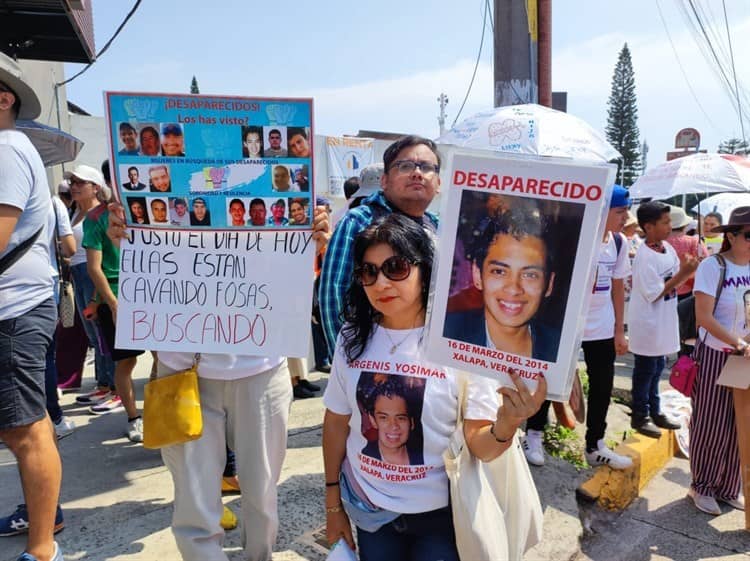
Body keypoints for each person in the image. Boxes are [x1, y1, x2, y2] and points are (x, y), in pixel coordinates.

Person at [104, 195, 333, 561]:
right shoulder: (161, 199)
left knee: (261, 494)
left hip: (262, 369)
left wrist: (313, 243)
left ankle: (260, 556)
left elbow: (286, 282)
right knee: (195, 500)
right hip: (182, 371)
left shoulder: (271, 201)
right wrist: (128, 239)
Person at [322, 214, 546, 560]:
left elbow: (482, 447)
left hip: (442, 519)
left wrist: (507, 424)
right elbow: (336, 423)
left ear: (425, 270)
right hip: (371, 512)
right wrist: (333, 504)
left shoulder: (461, 342)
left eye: (395, 268)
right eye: (368, 272)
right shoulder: (352, 338)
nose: (381, 283)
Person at [0, 52, 65, 561]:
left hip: (14, 310)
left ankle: (42, 548)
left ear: (4, 100)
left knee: (26, 428)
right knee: (23, 424)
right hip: (20, 306)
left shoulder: (4, 149)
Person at [523, 185, 634, 469]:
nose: (625, 217)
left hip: (602, 326)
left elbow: (618, 287)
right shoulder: (577, 238)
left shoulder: (619, 243)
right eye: (620, 211)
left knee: (602, 384)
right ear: (603, 210)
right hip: (569, 323)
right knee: (550, 377)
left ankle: (595, 445)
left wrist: (620, 329)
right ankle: (533, 433)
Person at [319, 136, 441, 358]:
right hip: (373, 362)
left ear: (439, 183)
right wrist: (349, 362)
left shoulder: (439, 228)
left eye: (426, 167)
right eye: (404, 166)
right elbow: (334, 296)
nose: (417, 173)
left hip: (427, 362)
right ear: (384, 181)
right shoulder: (360, 221)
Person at [689, 206, 750, 515]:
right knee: (711, 423)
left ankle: (729, 487)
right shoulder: (713, 266)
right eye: (749, 235)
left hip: (746, 356)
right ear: (731, 236)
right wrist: (736, 342)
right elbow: (704, 317)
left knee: (741, 424)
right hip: (717, 354)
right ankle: (702, 486)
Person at [443, 205, 560, 361]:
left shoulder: (559, 353)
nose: (513, 289)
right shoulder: (445, 334)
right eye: (499, 271)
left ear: (549, 284)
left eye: (530, 275)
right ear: (477, 276)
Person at [82, 160, 145, 439]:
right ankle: (134, 418)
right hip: (116, 298)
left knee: (164, 357)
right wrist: (112, 303)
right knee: (126, 363)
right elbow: (94, 267)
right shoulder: (95, 218)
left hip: (152, 295)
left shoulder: (147, 208)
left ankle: (158, 411)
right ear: (110, 180)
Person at [628, 201, 697, 438]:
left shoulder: (666, 248)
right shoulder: (645, 257)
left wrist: (684, 269)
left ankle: (655, 409)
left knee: (657, 368)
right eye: (664, 222)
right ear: (648, 226)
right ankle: (640, 414)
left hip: (664, 319)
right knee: (645, 369)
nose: (669, 226)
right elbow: (654, 292)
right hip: (648, 322)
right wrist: (683, 274)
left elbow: (673, 275)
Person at [667, 205, 707, 301]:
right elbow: (705, 262)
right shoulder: (693, 241)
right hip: (687, 289)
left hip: (663, 289)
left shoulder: (659, 242)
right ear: (684, 225)